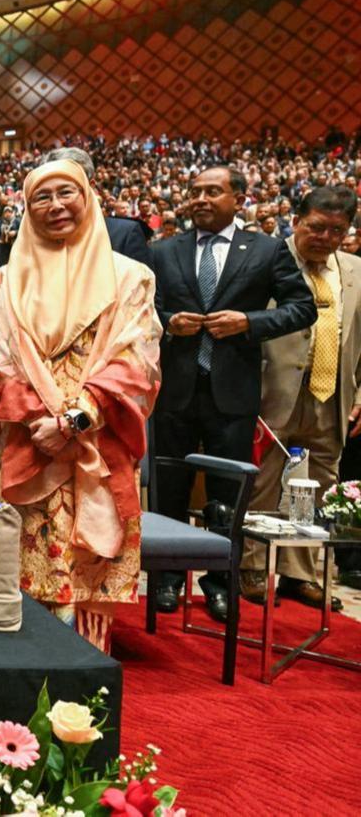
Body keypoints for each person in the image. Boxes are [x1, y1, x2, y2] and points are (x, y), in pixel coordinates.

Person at [0, 158, 161, 651]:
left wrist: (76, 419)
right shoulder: (4, 281)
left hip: (98, 441)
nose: (56, 206)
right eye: (42, 197)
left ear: (89, 198)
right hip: (27, 437)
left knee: (84, 567)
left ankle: (81, 677)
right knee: (21, 561)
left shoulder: (131, 279)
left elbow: (136, 360)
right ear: (26, 207)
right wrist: (43, 421)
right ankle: (17, 666)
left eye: (67, 193)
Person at [150, 166, 316, 621]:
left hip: (233, 394)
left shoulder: (266, 250)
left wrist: (249, 323)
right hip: (174, 392)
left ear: (238, 199)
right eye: (195, 191)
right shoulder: (165, 251)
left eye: (213, 192)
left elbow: (302, 308)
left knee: (226, 497)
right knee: (169, 492)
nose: (201, 199)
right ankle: (165, 578)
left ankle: (220, 581)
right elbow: (144, 307)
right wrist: (166, 323)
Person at [240, 187, 358, 612]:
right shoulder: (264, 259)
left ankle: (302, 574)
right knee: (263, 481)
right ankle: (252, 568)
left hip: (332, 393)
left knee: (323, 487)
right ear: (296, 221)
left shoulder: (355, 270)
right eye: (316, 227)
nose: (326, 236)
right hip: (273, 390)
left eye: (337, 230)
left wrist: (358, 393)